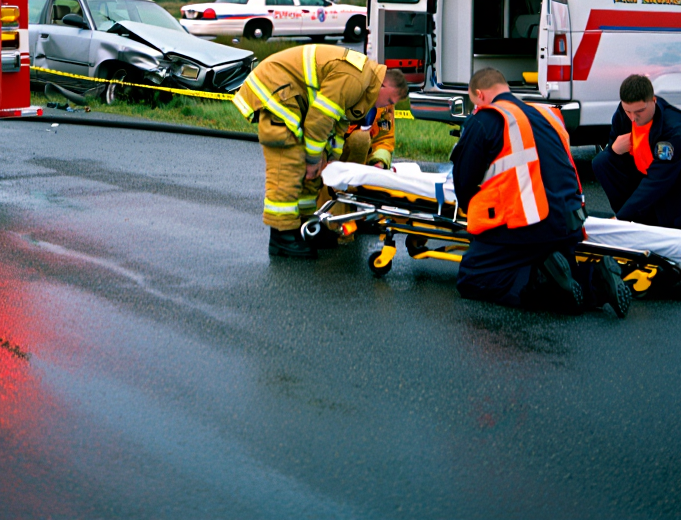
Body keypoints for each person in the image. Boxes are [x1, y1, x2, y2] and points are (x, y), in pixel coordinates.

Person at [451, 67, 630, 316]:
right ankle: (596, 280)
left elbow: (464, 183)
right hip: (570, 223)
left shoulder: (486, 119)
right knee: (552, 262)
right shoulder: (547, 115)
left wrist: (476, 213)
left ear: (480, 95)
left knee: (473, 276)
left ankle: (543, 283)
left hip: (530, 225)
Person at [232, 44, 408, 259]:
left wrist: (329, 160)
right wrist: (314, 158)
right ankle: (282, 236)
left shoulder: (364, 88)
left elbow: (337, 127)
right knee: (289, 164)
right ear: (383, 85)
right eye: (388, 100)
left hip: (292, 98)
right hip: (276, 92)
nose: (385, 106)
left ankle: (306, 226)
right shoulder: (355, 79)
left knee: (314, 173)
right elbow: (320, 119)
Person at [592, 74, 681, 238]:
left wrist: (620, 219)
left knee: (654, 196)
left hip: (679, 199)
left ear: (654, 100)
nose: (633, 118)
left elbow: (658, 181)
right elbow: (614, 159)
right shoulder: (623, 115)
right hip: (645, 183)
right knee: (602, 161)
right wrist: (613, 150)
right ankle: (636, 222)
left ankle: (638, 221)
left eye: (640, 111)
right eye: (628, 111)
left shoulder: (675, 131)